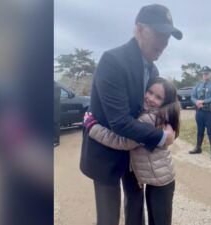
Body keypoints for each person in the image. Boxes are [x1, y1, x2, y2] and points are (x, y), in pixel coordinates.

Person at [79, 4, 182, 225]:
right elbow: (120, 123)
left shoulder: (152, 70)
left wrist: (168, 124)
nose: (164, 43)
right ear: (138, 29)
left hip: (135, 154)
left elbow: (156, 110)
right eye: (160, 34)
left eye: (168, 37)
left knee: (135, 209)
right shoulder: (112, 61)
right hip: (106, 154)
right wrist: (161, 138)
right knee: (109, 217)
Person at [87, 77, 180, 225]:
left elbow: (122, 142)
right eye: (149, 92)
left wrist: (93, 127)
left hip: (161, 181)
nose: (150, 98)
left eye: (158, 97)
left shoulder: (149, 119)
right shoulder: (156, 114)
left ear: (165, 102)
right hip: (157, 179)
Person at [189, 66, 211, 160]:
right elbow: (192, 96)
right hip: (200, 113)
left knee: (210, 132)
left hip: (210, 113)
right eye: (203, 73)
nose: (205, 75)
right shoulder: (198, 85)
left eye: (206, 73)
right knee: (199, 131)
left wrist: (203, 101)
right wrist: (196, 102)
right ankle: (198, 148)